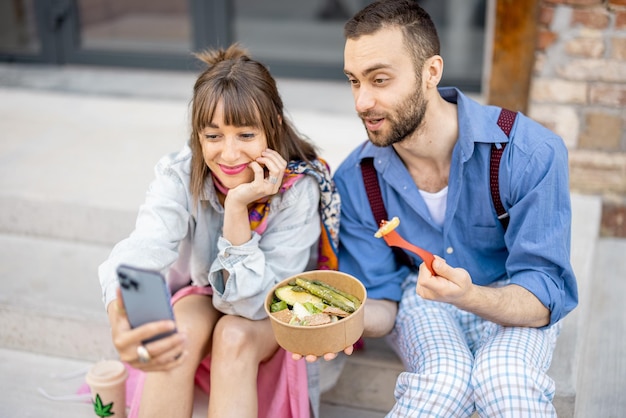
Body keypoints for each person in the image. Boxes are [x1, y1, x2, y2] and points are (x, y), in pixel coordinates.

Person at [331, 1, 578, 416]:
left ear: (431, 72)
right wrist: (330, 323)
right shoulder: (358, 178)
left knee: (505, 378)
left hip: (511, 292)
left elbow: (543, 294)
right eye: (354, 81)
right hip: (421, 297)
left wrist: (470, 296)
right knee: (444, 382)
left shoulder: (529, 153)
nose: (361, 101)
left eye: (379, 79)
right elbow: (382, 303)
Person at [97, 44, 339, 418]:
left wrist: (238, 207)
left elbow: (258, 303)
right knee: (179, 330)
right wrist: (120, 309)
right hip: (203, 291)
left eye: (245, 135)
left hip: (270, 306)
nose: (228, 155)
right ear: (198, 134)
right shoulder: (180, 172)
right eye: (213, 136)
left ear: (273, 125)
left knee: (234, 335)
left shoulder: (299, 189)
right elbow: (146, 244)